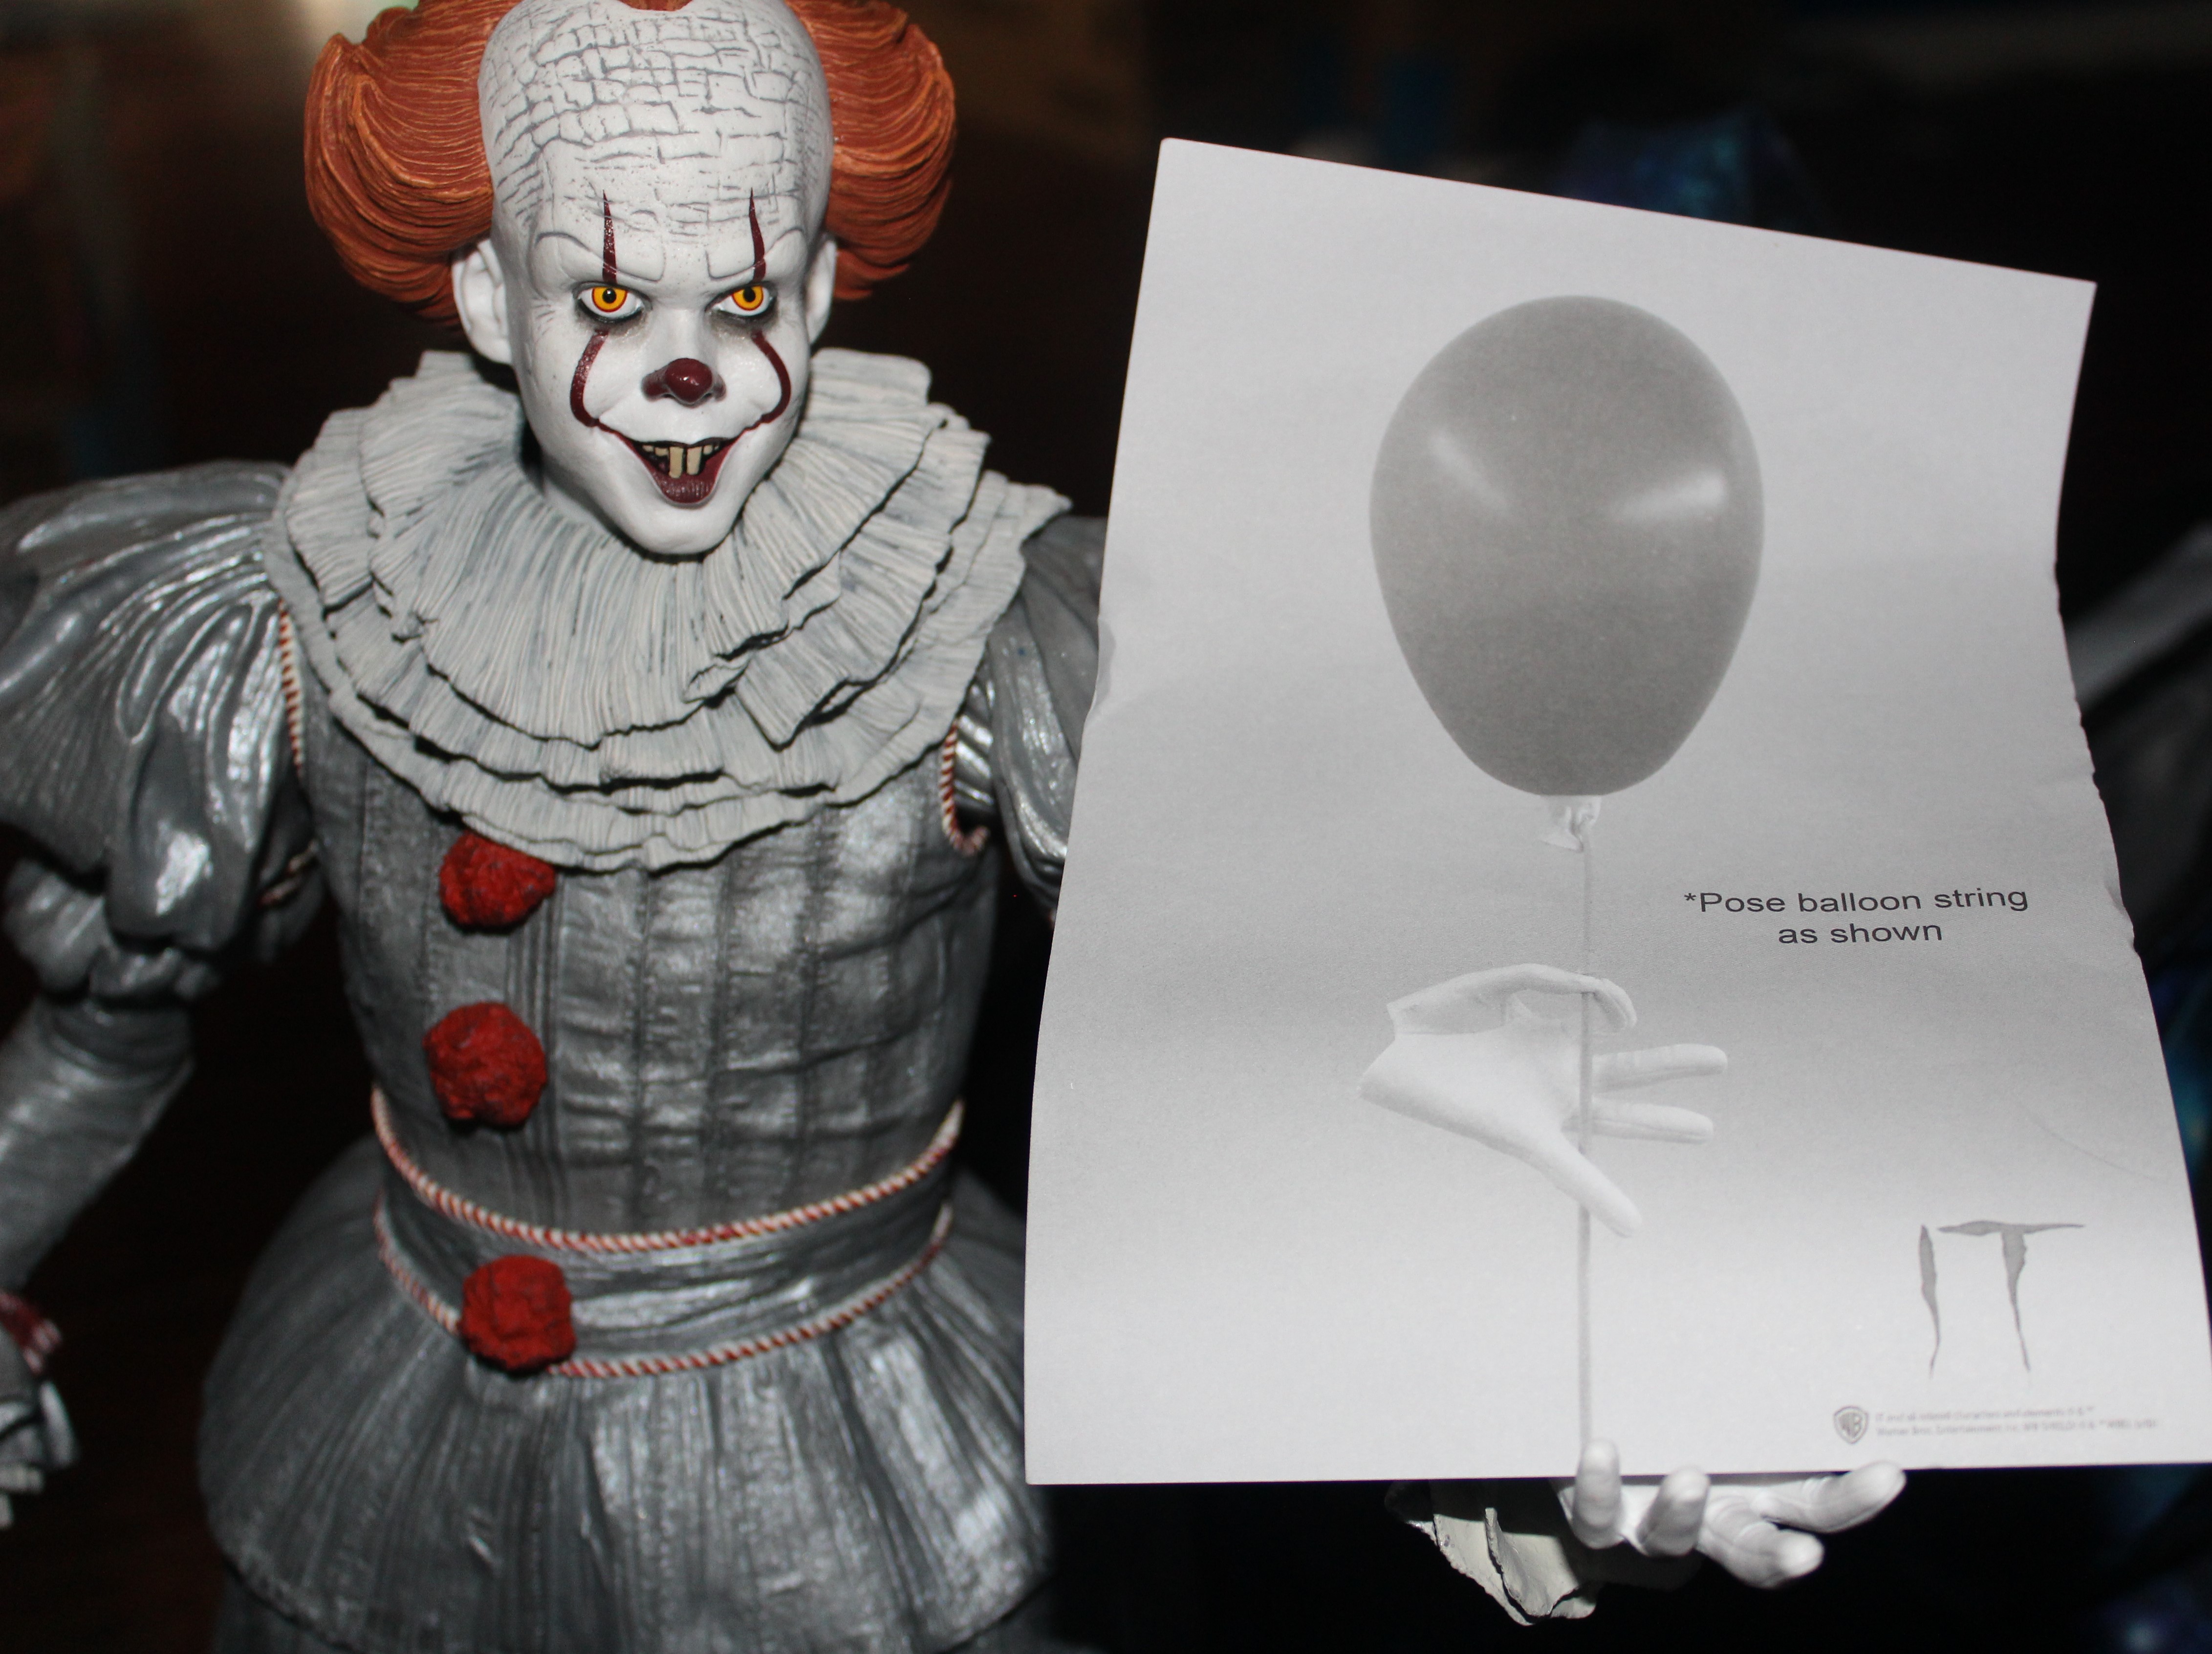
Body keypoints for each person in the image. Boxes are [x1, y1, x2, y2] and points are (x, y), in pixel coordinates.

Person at [0, 0, 1899, 1645]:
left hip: (858, 1464)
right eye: (609, 293)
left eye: (748, 292)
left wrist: (1577, 1392)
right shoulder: (304, 603)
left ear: (826, 282)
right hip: (400, 1423)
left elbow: (1262, 1060)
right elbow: (100, 1034)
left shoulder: (978, 632)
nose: (690, 367)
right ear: (491, 293)